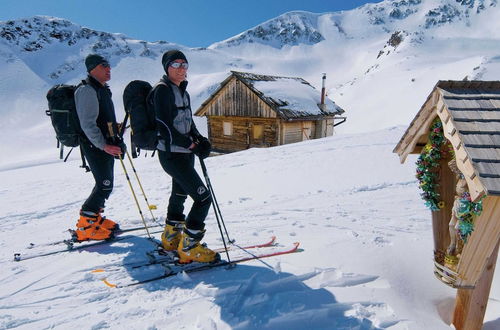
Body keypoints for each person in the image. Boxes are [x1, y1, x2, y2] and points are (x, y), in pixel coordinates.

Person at [153, 49, 216, 263]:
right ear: (167, 68)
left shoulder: (183, 91)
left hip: (184, 154)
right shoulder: (162, 91)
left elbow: (187, 123)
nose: (182, 68)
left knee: (179, 195)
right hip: (172, 155)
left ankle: (172, 239)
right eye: (176, 64)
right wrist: (190, 144)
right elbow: (164, 126)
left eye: (184, 64)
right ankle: (189, 246)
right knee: (203, 198)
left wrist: (200, 139)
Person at [73, 54, 124, 241]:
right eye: (104, 65)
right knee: (104, 184)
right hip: (95, 145)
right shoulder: (87, 90)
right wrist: (103, 145)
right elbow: (87, 124)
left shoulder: (102, 89)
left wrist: (116, 139)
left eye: (109, 65)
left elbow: (106, 120)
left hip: (105, 144)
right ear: (92, 68)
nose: (109, 68)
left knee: (105, 183)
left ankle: (95, 218)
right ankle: (86, 225)